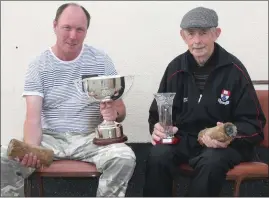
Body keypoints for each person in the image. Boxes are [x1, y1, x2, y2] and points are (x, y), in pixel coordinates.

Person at [143, 6, 266, 197]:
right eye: (191, 34)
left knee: (211, 161)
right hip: (185, 140)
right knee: (158, 155)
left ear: (216, 34)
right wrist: (157, 128)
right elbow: (157, 115)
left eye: (203, 33)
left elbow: (255, 125)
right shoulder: (175, 68)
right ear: (183, 36)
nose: (197, 41)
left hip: (225, 147)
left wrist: (228, 135)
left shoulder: (235, 70)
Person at [19, 2, 136, 197]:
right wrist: (32, 149)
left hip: (91, 139)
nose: (73, 35)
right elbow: (32, 118)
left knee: (124, 157)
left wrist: (113, 113)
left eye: (80, 29)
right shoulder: (38, 65)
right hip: (49, 139)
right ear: (55, 25)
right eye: (67, 27)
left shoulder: (101, 60)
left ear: (86, 31)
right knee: (4, 159)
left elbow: (120, 110)